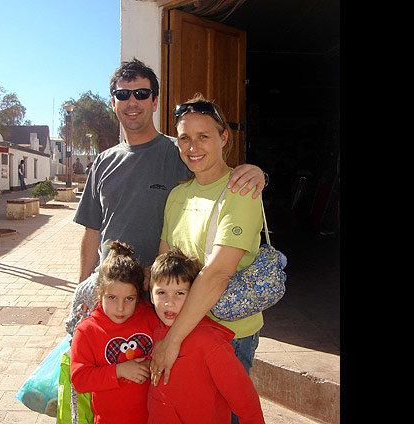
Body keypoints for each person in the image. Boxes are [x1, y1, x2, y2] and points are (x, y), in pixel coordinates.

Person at [66, 58, 266, 335]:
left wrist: (257, 173)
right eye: (122, 94)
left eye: (141, 93)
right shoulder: (102, 162)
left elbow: (219, 174)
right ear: (113, 102)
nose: (132, 101)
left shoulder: (181, 152)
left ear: (155, 101)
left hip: (164, 301)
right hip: (114, 298)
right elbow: (91, 232)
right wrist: (81, 292)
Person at [149, 94, 264, 424]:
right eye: (184, 138)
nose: (193, 147)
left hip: (227, 335)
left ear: (223, 137)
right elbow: (163, 266)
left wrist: (171, 341)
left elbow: (217, 274)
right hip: (185, 329)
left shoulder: (240, 191)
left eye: (204, 136)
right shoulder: (178, 195)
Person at [147, 247, 265, 424]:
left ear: (194, 296)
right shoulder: (153, 329)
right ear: (151, 295)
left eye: (180, 293)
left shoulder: (209, 341)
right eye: (161, 293)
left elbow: (244, 398)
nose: (169, 302)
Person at [70, 241, 159, 424]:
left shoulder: (151, 318)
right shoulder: (87, 331)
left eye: (129, 299)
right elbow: (80, 379)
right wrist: (119, 371)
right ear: (99, 293)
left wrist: (153, 364)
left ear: (139, 296)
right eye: (112, 298)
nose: (120, 308)